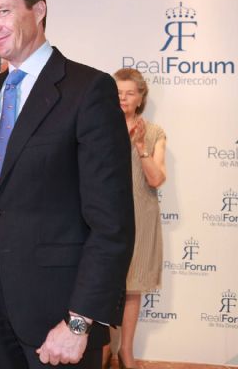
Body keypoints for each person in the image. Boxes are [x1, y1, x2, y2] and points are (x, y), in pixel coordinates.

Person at [0, 0, 135, 368]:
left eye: (2, 12)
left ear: (38, 11)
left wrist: (79, 321)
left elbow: (112, 222)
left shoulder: (88, 90)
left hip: (61, 313)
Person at [103, 68, 166, 369]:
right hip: (104, 216)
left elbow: (156, 179)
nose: (123, 98)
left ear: (141, 98)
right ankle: (104, 349)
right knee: (103, 283)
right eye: (118, 92)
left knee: (131, 288)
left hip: (141, 216)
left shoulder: (154, 133)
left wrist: (141, 149)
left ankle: (125, 351)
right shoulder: (99, 127)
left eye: (130, 93)